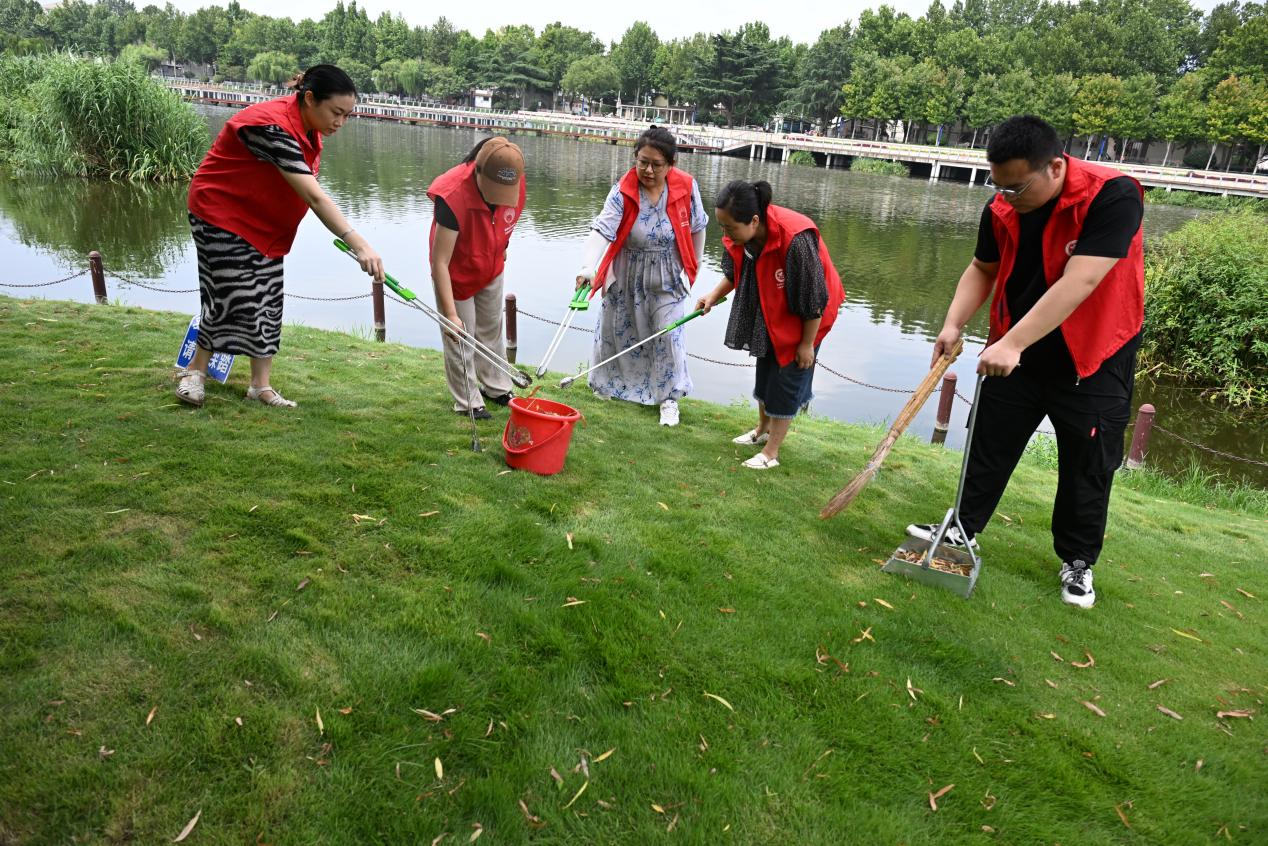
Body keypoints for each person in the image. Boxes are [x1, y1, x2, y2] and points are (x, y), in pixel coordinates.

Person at [907, 115, 1145, 608]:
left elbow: (1081, 281)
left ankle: (1078, 562)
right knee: (987, 441)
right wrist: (954, 323)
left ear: (1055, 167)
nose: (1006, 198)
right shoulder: (1000, 205)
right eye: (1000, 187)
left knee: (1087, 462)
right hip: (1014, 347)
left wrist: (1013, 343)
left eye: (1016, 187)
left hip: (1093, 355)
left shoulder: (1113, 195)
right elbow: (982, 267)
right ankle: (962, 530)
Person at [178, 64, 384, 409]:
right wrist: (359, 243)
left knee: (268, 297)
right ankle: (194, 372)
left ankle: (260, 385)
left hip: (262, 222)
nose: (340, 123)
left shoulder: (308, 127)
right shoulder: (271, 126)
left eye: (348, 116)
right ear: (308, 98)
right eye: (336, 113)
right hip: (220, 212)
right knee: (228, 294)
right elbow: (315, 196)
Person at [695, 180, 845, 469]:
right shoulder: (744, 236)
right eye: (722, 226)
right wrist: (712, 296)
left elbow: (814, 300)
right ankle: (762, 429)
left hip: (809, 315)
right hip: (771, 305)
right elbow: (735, 271)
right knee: (765, 367)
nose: (725, 234)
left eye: (729, 228)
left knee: (788, 374)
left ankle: (772, 453)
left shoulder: (794, 238)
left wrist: (806, 345)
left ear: (754, 220)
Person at [576, 126, 708, 427]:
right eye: (642, 161)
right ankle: (608, 387)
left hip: (667, 273)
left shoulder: (686, 187)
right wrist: (588, 267)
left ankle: (669, 399)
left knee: (667, 334)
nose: (648, 170)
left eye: (656, 164)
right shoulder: (623, 189)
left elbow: (699, 226)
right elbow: (602, 229)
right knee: (616, 330)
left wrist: (694, 267)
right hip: (626, 270)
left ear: (671, 164)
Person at [428, 136, 526, 420]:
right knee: (461, 334)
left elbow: (508, 221)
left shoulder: (514, 178)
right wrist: (449, 314)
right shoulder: (453, 194)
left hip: (491, 263)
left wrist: (502, 249)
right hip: (455, 272)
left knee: (491, 329)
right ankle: (468, 401)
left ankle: (496, 387)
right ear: (477, 170)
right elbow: (440, 261)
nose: (500, 197)